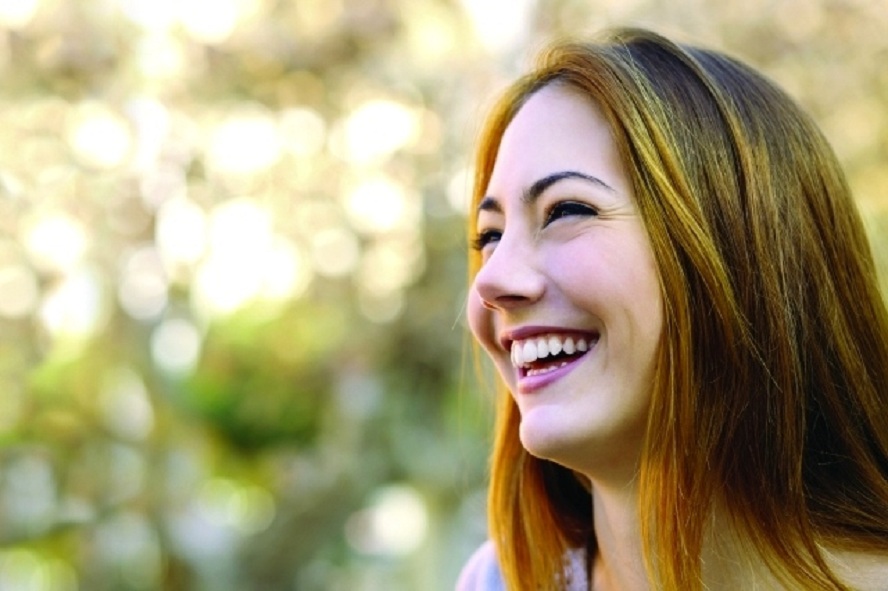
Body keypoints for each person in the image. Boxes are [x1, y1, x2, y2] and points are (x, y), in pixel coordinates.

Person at [457, 27, 888, 590]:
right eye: (489, 236)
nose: (492, 280)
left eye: (565, 210)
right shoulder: (496, 581)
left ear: (740, 251)